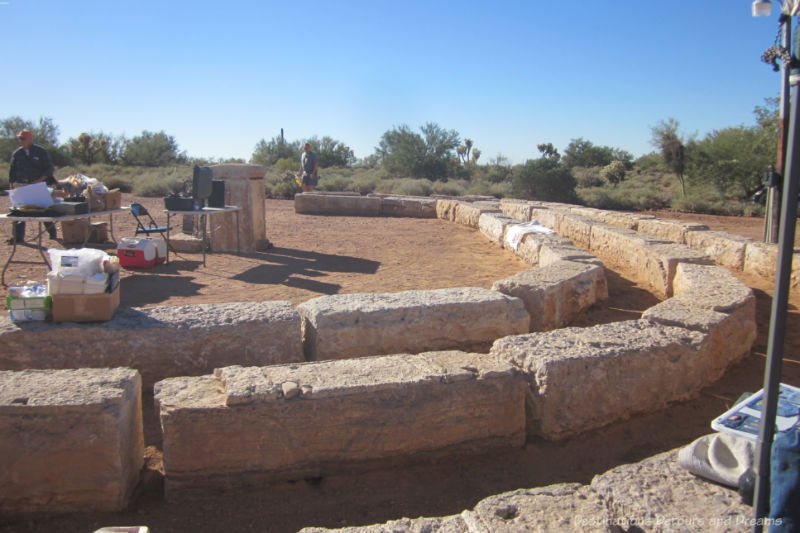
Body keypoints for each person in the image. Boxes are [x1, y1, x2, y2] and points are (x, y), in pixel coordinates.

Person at [8, 130, 57, 243]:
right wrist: (12, 185)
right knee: (19, 211)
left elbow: (49, 168)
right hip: (22, 185)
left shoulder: (40, 151)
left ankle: (52, 233)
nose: (21, 141)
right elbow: (12, 170)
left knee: (43, 209)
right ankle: (18, 237)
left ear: (30, 139)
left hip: (39, 185)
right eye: (19, 139)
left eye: (23, 139)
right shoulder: (17, 154)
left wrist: (40, 180)